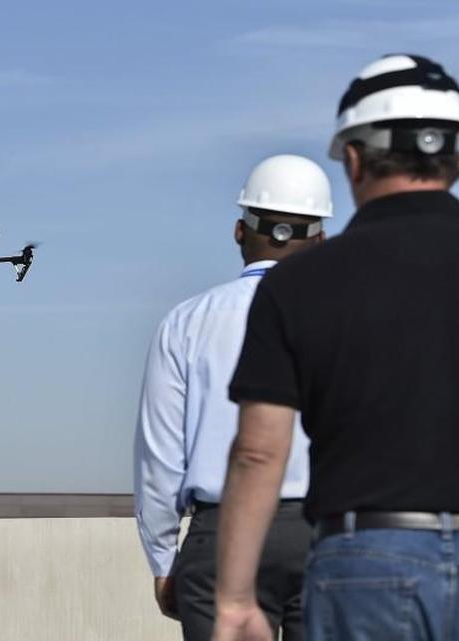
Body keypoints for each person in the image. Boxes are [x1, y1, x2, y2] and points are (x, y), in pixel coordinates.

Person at [214, 54, 459, 641]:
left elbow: (258, 452)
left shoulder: (297, 285)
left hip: (366, 563)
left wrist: (234, 599)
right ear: (456, 159)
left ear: (353, 159)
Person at [135, 154, 332, 640]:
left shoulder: (186, 321)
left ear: (240, 232)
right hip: (325, 535)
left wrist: (163, 558)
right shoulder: (348, 319)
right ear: (321, 241)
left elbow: (160, 455)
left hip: (223, 537)